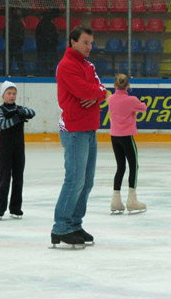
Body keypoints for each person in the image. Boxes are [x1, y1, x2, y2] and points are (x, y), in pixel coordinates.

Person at [51, 25, 107, 248]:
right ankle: (61, 227)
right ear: (72, 42)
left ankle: (74, 223)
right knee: (74, 180)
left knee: (86, 181)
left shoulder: (88, 65)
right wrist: (95, 94)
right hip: (74, 130)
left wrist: (97, 95)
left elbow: (102, 89)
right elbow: (85, 90)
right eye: (85, 42)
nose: (89, 47)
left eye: (91, 43)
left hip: (89, 128)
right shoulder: (66, 66)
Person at [0, 81, 35, 219]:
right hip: (5, 150)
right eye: (9, 93)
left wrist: (21, 112)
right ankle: (0, 209)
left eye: (14, 93)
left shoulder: (20, 108)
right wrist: (19, 117)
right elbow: (3, 124)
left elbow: (32, 112)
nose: (12, 96)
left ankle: (16, 209)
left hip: (19, 149)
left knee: (18, 178)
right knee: (4, 179)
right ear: (3, 95)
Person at [108, 74, 148, 214]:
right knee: (134, 166)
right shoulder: (132, 100)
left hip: (114, 136)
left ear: (114, 85)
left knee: (120, 167)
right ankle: (132, 199)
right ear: (128, 85)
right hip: (126, 137)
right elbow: (143, 108)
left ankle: (115, 200)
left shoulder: (111, 98)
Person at [35, 10, 58, 77]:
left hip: (43, 48)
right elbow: (54, 37)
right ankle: (50, 74)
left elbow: (37, 37)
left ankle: (42, 74)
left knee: (43, 62)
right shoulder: (51, 25)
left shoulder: (40, 24)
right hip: (49, 48)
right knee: (49, 62)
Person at [3, 8, 25, 77]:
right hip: (17, 46)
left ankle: (6, 74)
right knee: (20, 62)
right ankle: (23, 75)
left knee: (8, 62)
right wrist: (20, 43)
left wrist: (9, 41)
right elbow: (22, 35)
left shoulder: (8, 23)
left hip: (9, 45)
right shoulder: (20, 23)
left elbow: (4, 34)